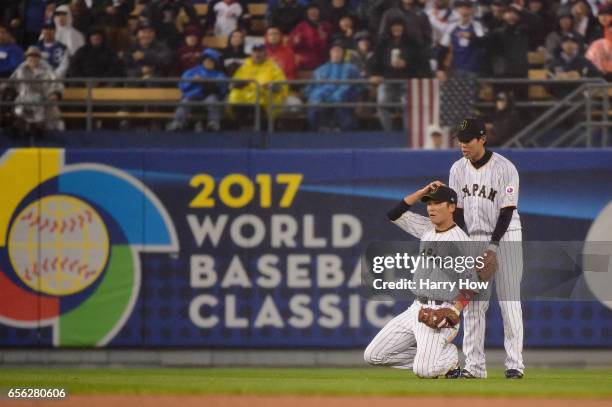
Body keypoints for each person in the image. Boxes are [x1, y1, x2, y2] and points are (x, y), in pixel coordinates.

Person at [364, 182, 479, 379]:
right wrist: (420, 193)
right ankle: (436, 358)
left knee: (423, 371)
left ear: (451, 207)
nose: (431, 208)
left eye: (437, 203)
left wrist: (455, 310)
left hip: (440, 313)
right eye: (428, 203)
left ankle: (447, 358)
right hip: (416, 309)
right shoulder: (427, 228)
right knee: (373, 355)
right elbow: (394, 214)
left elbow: (473, 283)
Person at [448, 117, 524, 379]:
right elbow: (456, 213)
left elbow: (507, 211)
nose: (463, 145)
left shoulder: (505, 167)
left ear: (482, 138)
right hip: (474, 239)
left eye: (468, 140)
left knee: (509, 301)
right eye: (460, 140)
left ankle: (514, 364)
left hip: (506, 237)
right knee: (474, 304)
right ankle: (474, 367)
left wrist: (492, 246)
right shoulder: (457, 169)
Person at [370, 18, 431, 131]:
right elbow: (375, 61)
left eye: (399, 26)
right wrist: (375, 74)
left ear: (403, 28)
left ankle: (407, 133)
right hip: (387, 80)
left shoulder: (412, 43)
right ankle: (388, 133)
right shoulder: (383, 43)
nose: (396, 28)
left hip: (406, 81)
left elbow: (420, 63)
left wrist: (406, 64)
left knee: (408, 107)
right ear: (389, 28)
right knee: (382, 105)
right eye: (394, 26)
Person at [304, 40, 361, 131]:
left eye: (339, 51)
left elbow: (358, 87)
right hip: (322, 100)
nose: (336, 54)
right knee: (316, 101)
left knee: (340, 99)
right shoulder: (320, 70)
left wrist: (341, 95)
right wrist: (316, 95)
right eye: (334, 51)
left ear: (343, 54)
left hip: (343, 100)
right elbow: (309, 89)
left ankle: (342, 129)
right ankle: (319, 129)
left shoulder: (351, 69)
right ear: (330, 53)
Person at [7, 46, 64, 133]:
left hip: (43, 98)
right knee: (18, 108)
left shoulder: (47, 69)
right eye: (30, 56)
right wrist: (8, 91)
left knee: (49, 111)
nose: (32, 58)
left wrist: (55, 93)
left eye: (35, 56)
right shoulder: (20, 69)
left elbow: (57, 83)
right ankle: (21, 127)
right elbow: (11, 83)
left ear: (39, 58)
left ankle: (39, 128)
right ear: (26, 58)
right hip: (24, 98)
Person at [168, 48, 227, 132]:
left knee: (212, 99)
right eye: (207, 60)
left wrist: (207, 81)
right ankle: (177, 123)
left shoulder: (219, 74)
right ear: (202, 61)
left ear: (216, 63)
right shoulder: (191, 72)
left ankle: (213, 123)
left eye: (212, 61)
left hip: (208, 98)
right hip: (192, 98)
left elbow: (223, 90)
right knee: (186, 101)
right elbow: (182, 87)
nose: (209, 62)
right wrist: (192, 81)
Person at [228, 44, 288, 126]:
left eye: (260, 52)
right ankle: (238, 130)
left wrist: (271, 86)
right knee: (235, 101)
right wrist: (239, 84)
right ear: (251, 53)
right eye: (255, 51)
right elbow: (233, 84)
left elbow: (282, 86)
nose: (257, 54)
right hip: (243, 101)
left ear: (265, 54)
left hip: (263, 102)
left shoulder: (273, 67)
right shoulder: (244, 66)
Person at [436, 0, 487, 80]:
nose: (464, 11)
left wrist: (471, 36)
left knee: (472, 91)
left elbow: (483, 42)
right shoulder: (452, 26)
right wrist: (440, 68)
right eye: (462, 8)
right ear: (457, 10)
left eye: (467, 8)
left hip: (474, 68)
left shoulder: (477, 25)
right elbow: (443, 48)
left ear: (471, 10)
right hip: (457, 68)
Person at [289, 3, 333, 70]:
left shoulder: (326, 26)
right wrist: (295, 42)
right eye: (310, 11)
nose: (313, 13)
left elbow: (331, 44)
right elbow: (291, 45)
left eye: (315, 11)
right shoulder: (301, 26)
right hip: (304, 61)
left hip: (323, 60)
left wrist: (324, 39)